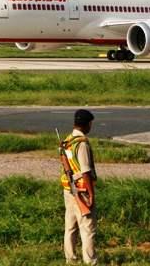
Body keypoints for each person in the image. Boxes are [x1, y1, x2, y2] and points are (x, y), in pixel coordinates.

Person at [61, 109, 98, 265]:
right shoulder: (81, 144)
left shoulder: (67, 141)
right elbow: (86, 171)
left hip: (69, 189)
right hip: (81, 190)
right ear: (87, 124)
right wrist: (91, 194)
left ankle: (70, 259)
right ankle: (90, 261)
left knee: (70, 226)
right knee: (87, 227)